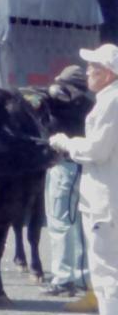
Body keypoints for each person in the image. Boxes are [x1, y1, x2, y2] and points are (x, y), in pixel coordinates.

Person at [49, 44, 118, 315]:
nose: (88, 72)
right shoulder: (107, 100)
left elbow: (97, 150)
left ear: (109, 73)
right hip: (105, 193)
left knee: (105, 266)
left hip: (106, 196)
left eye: (95, 68)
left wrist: (66, 143)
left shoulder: (111, 102)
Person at [41, 66, 91, 299]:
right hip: (80, 167)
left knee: (60, 222)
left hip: (65, 165)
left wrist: (51, 90)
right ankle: (82, 277)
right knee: (79, 224)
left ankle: (63, 278)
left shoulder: (71, 99)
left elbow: (50, 92)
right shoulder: (89, 102)